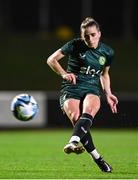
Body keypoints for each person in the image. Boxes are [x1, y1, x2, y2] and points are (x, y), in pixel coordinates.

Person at [47, 17, 118, 173]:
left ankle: (73, 142)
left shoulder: (107, 52)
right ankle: (97, 157)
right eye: (86, 35)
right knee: (76, 118)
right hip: (71, 87)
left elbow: (104, 74)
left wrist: (109, 93)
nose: (90, 38)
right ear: (81, 35)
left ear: (99, 33)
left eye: (93, 34)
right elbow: (51, 59)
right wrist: (63, 73)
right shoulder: (74, 45)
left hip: (92, 88)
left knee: (89, 112)